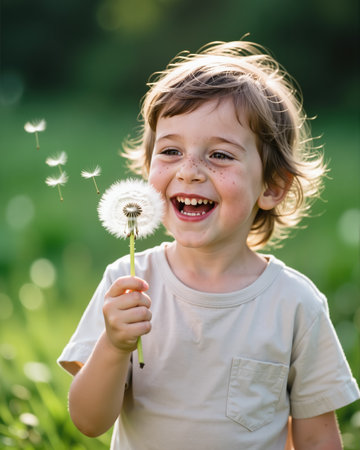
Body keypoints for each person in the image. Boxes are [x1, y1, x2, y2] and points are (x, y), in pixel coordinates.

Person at [58, 40, 359, 449]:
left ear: (271, 187)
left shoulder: (295, 304)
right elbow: (89, 421)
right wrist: (113, 346)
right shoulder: (128, 284)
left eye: (219, 154)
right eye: (170, 151)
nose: (189, 171)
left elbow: (317, 436)